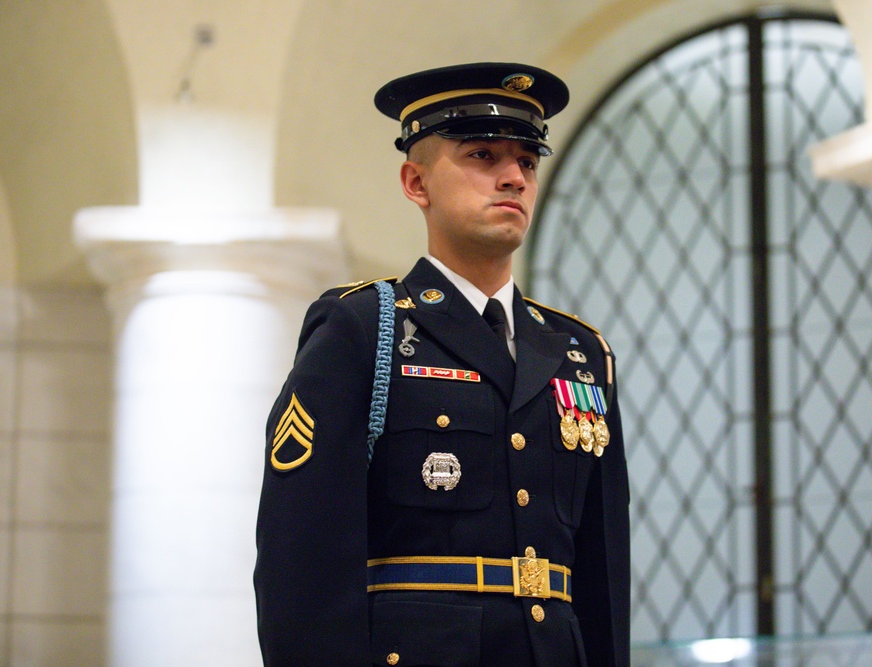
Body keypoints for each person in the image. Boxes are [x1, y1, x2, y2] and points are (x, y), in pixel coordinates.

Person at [254, 62, 630, 667]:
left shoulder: (579, 353)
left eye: (528, 162)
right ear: (416, 182)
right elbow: (302, 559)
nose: (513, 177)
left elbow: (602, 575)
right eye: (483, 155)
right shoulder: (365, 329)